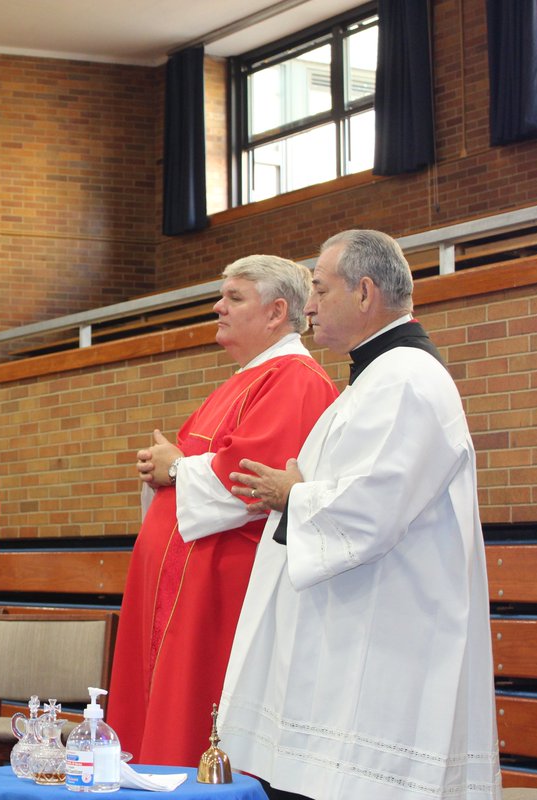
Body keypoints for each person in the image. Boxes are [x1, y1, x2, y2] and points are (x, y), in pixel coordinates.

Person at [222, 230, 501, 800]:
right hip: (353, 639)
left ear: (366, 292)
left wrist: (291, 493)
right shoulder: (373, 379)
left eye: (320, 289)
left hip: (384, 653)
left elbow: (369, 511)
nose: (311, 306)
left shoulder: (405, 379)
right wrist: (299, 489)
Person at [106, 255, 338, 767]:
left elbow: (248, 478)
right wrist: (165, 469)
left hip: (220, 588)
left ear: (277, 312)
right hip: (188, 583)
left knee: (192, 730)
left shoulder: (294, 378)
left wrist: (174, 470)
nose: (218, 306)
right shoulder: (243, 380)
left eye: (234, 297)